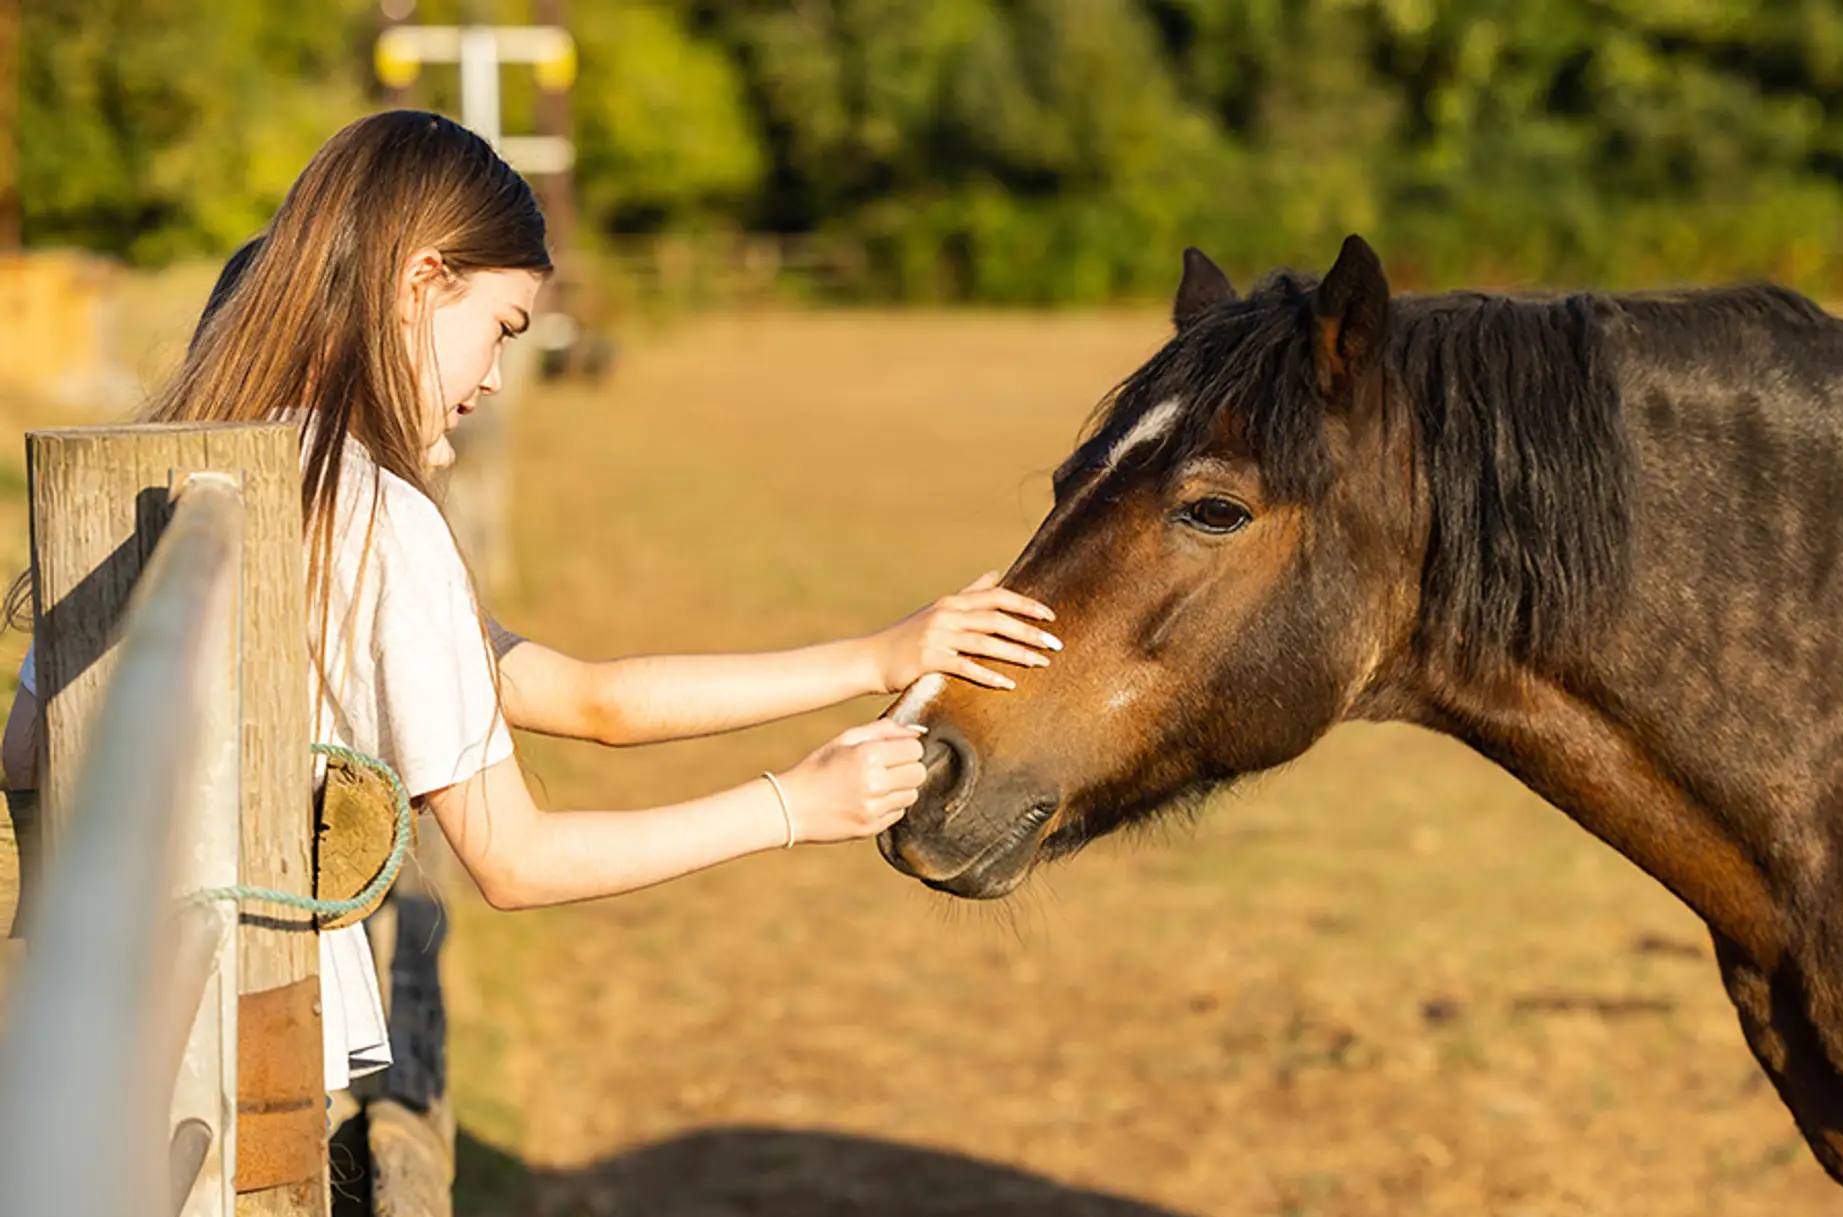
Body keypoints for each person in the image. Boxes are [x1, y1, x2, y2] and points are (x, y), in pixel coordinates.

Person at [0, 110, 1058, 1091]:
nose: (498, 372)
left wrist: (884, 655)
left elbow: (592, 700)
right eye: (499, 325)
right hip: (238, 1042)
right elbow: (514, 858)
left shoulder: (169, 475)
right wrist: (790, 807)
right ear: (420, 281)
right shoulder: (373, 517)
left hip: (81, 1023)